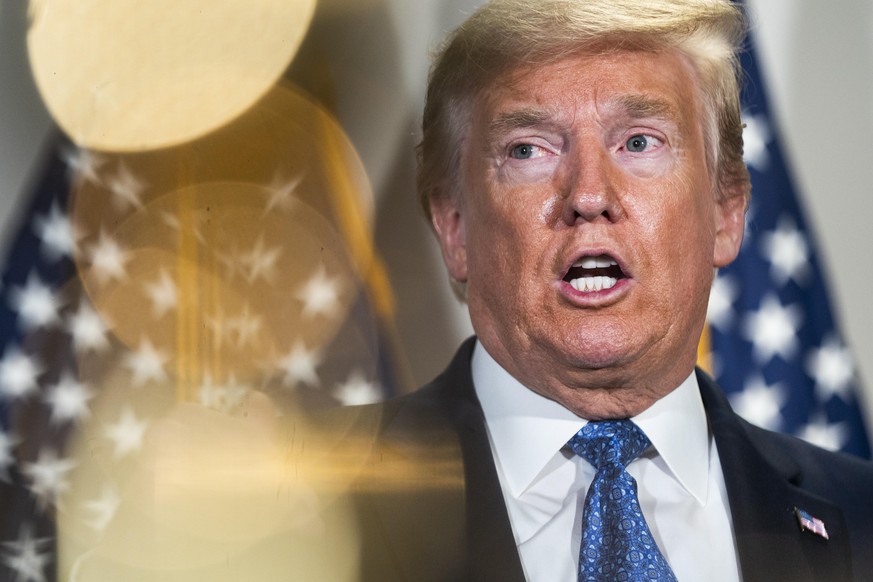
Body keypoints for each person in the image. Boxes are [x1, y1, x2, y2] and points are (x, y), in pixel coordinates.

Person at [327, 1, 873, 581]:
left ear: (726, 212)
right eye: (528, 149)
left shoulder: (862, 518)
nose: (589, 194)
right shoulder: (308, 509)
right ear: (455, 227)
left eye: (639, 142)